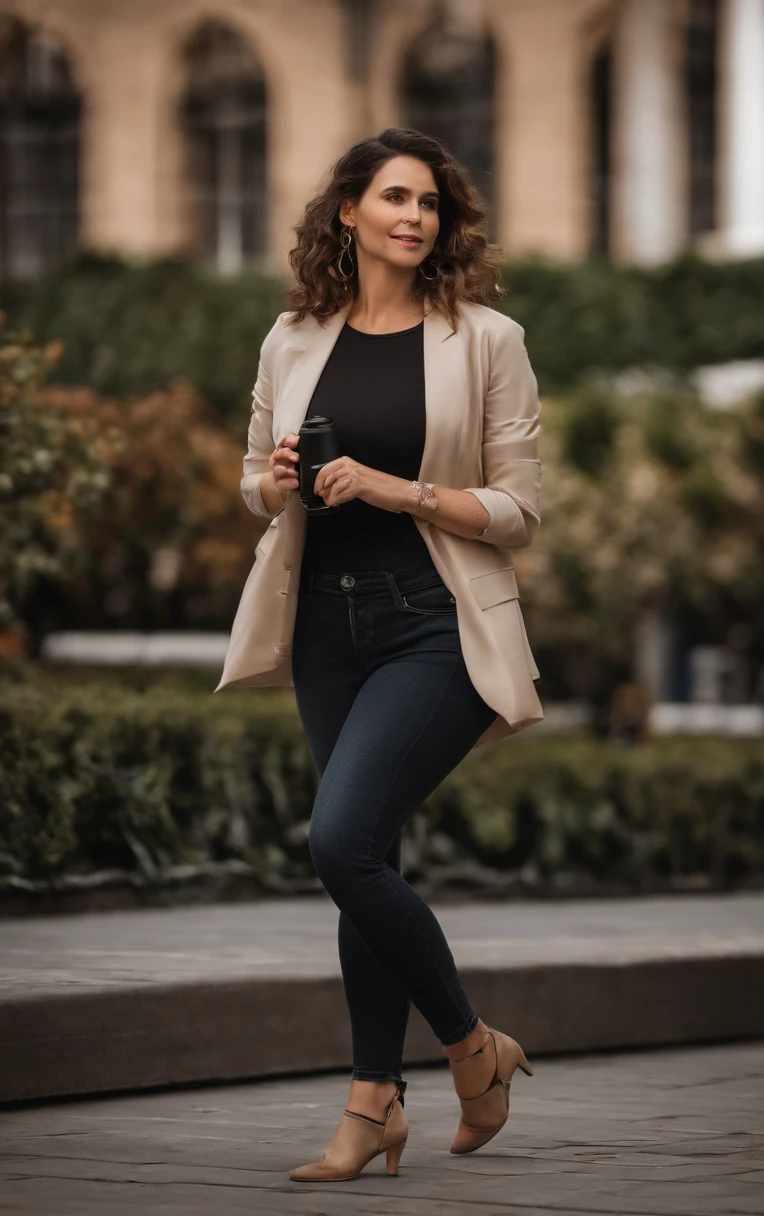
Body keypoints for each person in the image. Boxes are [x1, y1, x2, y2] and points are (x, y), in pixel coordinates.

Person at [217, 127, 542, 1182]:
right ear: (347, 211)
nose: (415, 217)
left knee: (341, 843)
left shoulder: (486, 338)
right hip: (323, 622)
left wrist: (395, 487)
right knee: (369, 858)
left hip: (431, 618)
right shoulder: (291, 337)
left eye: (431, 204)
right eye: (395, 198)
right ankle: (373, 1105)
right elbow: (254, 487)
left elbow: (518, 510)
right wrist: (271, 480)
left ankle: (468, 1047)